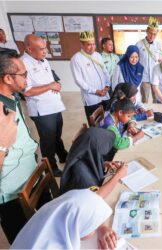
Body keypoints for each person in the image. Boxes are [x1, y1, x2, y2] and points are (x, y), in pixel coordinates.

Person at [0, 49, 52, 244]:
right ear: (7, 78)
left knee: (46, 222)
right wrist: (3, 146)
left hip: (30, 174)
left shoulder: (12, 97)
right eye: (23, 74)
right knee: (23, 240)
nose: (27, 78)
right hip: (11, 193)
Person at [21, 34, 67, 177]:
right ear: (29, 48)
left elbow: (50, 80)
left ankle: (64, 156)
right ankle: (51, 168)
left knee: (56, 135)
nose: (45, 51)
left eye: (45, 47)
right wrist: (50, 86)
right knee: (48, 141)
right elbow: (27, 92)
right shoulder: (23, 64)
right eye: (41, 48)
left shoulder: (43, 60)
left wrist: (55, 84)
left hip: (54, 106)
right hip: (42, 110)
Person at [11, 189, 117, 249]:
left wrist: (101, 227)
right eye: (93, 226)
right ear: (76, 225)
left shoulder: (56, 215)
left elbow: (83, 204)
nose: (94, 231)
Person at [60, 127, 127, 198]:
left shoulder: (84, 151)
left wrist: (102, 165)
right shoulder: (80, 172)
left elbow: (89, 162)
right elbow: (97, 195)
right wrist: (118, 175)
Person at [70, 31, 110, 121]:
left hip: (104, 94)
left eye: (93, 44)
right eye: (89, 45)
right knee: (95, 123)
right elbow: (79, 81)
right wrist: (96, 91)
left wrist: (107, 86)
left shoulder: (98, 55)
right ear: (82, 44)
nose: (92, 47)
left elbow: (105, 72)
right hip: (92, 98)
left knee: (108, 121)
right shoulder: (76, 59)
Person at [136, 16, 162, 103]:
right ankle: (146, 115)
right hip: (144, 77)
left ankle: (157, 114)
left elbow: (161, 60)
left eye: (154, 34)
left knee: (157, 99)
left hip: (156, 77)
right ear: (146, 31)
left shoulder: (159, 45)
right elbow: (135, 61)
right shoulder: (139, 44)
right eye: (150, 33)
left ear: (157, 33)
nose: (152, 36)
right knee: (145, 99)